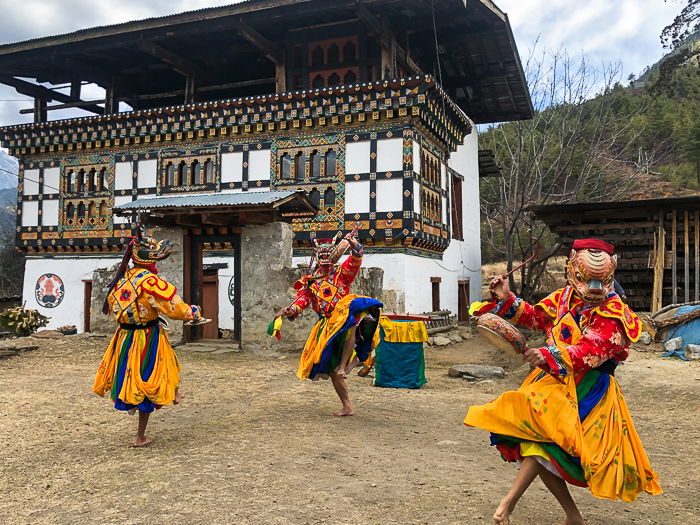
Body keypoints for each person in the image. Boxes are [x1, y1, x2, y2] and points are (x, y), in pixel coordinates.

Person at [465, 239, 661, 525]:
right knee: (539, 446)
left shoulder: (614, 312)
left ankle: (509, 505)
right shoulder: (564, 297)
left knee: (542, 445)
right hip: (552, 381)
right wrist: (506, 297)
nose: (594, 289)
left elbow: (591, 352)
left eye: (601, 281)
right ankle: (569, 516)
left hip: (589, 387)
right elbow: (534, 317)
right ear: (573, 271)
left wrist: (547, 355)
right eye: (586, 280)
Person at [93, 233, 202, 447]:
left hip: (124, 337)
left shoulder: (121, 279)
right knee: (149, 376)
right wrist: (194, 312)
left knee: (135, 373)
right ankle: (140, 436)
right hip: (146, 337)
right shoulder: (150, 281)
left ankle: (172, 393)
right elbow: (174, 308)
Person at [282, 230, 382, 416]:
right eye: (322, 256)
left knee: (350, 321)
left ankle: (346, 364)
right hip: (326, 325)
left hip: (343, 317)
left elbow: (355, 261)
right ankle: (347, 405)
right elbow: (302, 300)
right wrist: (292, 310)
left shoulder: (341, 275)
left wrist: (353, 244)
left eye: (329, 256)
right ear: (317, 258)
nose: (326, 259)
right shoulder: (311, 282)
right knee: (333, 371)